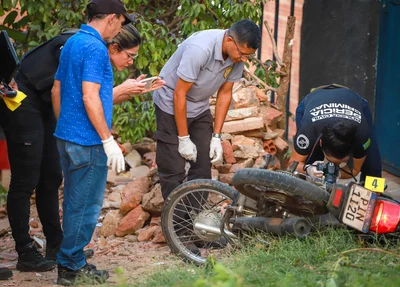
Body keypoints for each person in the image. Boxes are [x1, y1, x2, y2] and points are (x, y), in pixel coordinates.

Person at [51, 1, 164, 285]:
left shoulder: (74, 41)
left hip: (67, 136)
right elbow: (89, 97)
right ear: (112, 18)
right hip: (87, 141)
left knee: (75, 202)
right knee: (86, 206)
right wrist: (107, 140)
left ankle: (71, 260)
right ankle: (70, 266)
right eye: (122, 22)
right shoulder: (96, 48)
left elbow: (59, 90)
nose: (121, 28)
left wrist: (64, 126)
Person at [153, 19, 261, 200]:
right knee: (173, 169)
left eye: (248, 56)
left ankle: (195, 222)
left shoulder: (237, 56)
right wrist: (184, 138)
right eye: (242, 54)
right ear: (229, 41)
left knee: (203, 165)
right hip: (171, 104)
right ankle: (174, 225)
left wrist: (216, 137)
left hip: (199, 105)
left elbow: (225, 94)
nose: (244, 59)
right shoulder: (200, 49)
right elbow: (179, 94)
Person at [290, 84, 382, 182]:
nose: (336, 165)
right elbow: (293, 164)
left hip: (354, 100)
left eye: (343, 162)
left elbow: (355, 169)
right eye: (331, 161)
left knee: (372, 164)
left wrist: (338, 173)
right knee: (311, 159)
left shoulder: (362, 133)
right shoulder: (308, 130)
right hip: (313, 101)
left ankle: (373, 193)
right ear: (321, 142)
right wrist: (308, 169)